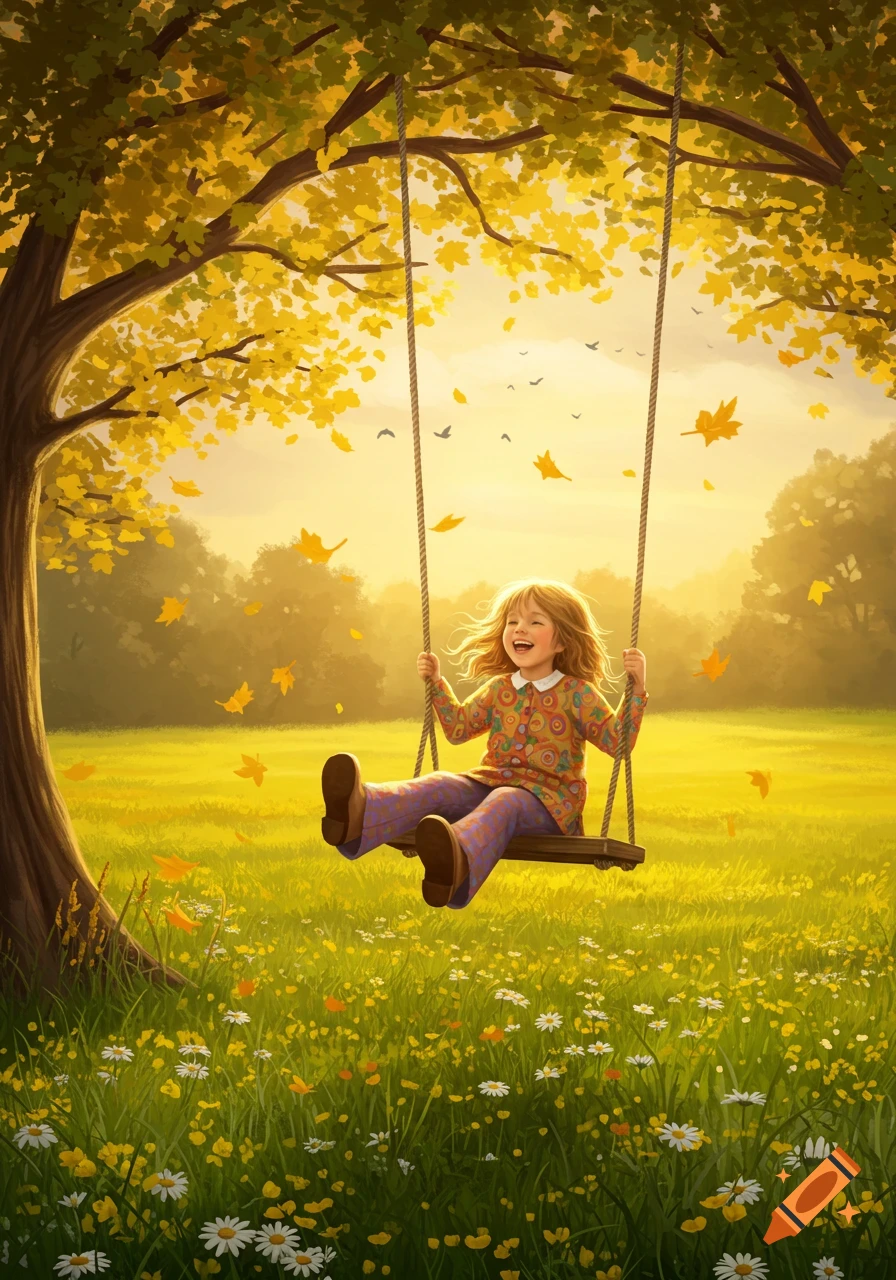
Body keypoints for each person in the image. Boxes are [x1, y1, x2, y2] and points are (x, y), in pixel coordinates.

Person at [320, 577, 649, 909]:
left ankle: (454, 861)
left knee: (506, 800)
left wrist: (636, 689)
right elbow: (458, 728)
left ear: (562, 641)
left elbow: (616, 743)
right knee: (442, 784)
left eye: (535, 622)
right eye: (512, 622)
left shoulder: (577, 693)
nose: (520, 629)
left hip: (550, 805)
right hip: (490, 784)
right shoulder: (500, 688)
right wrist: (437, 683)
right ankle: (357, 814)